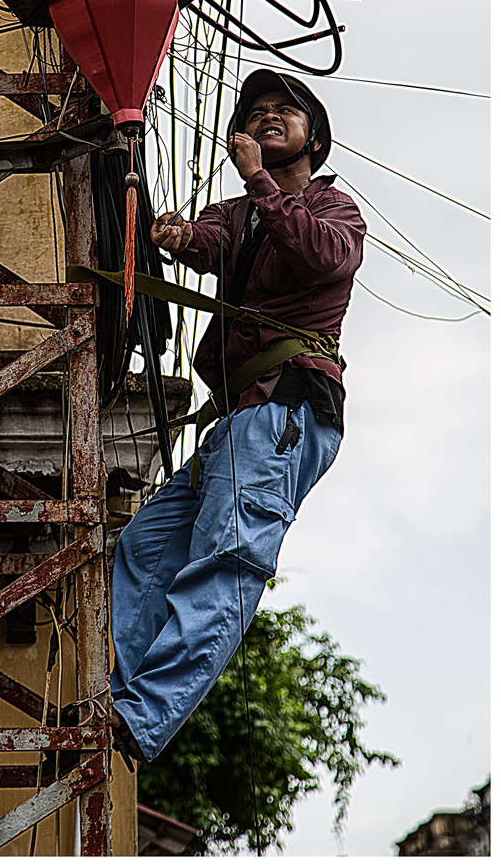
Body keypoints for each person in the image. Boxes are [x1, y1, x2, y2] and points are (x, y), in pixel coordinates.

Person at [109, 69, 366, 767]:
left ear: (315, 133)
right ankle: (123, 706)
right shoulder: (240, 212)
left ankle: (144, 717)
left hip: (286, 409)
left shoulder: (333, 209)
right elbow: (206, 243)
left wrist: (260, 184)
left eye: (286, 111)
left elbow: (318, 257)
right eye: (256, 114)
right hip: (237, 422)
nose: (269, 119)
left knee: (229, 559)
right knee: (143, 549)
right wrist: (174, 233)